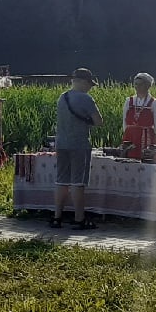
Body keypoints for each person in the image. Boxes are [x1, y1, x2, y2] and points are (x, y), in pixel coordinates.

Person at [52, 68, 102, 229]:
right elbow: (99, 121)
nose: (89, 87)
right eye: (89, 84)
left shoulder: (62, 97)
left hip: (61, 144)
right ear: (81, 82)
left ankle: (57, 217)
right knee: (77, 182)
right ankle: (79, 219)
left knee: (61, 181)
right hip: (79, 145)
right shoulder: (86, 99)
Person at [121, 72, 156, 159]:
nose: (137, 87)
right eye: (135, 84)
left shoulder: (154, 103)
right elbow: (124, 119)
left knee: (145, 158)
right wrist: (126, 133)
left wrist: (155, 136)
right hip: (130, 136)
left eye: (140, 84)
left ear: (148, 86)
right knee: (128, 158)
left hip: (146, 136)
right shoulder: (129, 101)